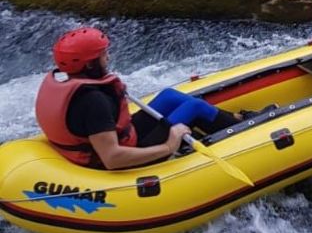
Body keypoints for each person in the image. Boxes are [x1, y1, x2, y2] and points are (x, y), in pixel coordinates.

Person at [35, 27, 235, 170]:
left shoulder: (66, 83)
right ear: (89, 65)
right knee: (195, 107)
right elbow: (112, 158)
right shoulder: (93, 101)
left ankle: (236, 120)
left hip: (123, 140)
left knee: (169, 96)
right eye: (104, 55)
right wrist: (169, 144)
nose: (108, 58)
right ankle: (242, 130)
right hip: (123, 158)